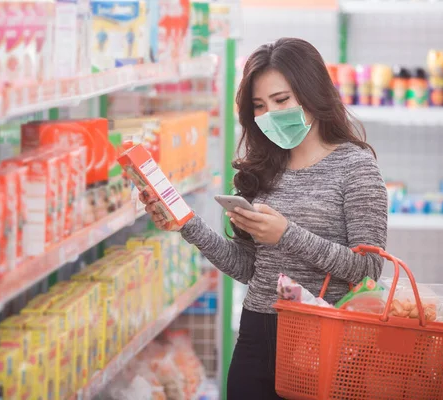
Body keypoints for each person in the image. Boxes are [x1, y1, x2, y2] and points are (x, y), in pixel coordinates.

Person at [140, 37, 388, 400]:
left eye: (281, 100)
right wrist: (186, 225)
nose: (269, 114)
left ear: (313, 92)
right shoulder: (263, 170)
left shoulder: (356, 167)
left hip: (327, 337)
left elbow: (368, 269)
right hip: (258, 334)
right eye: (259, 105)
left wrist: (287, 234)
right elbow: (248, 268)